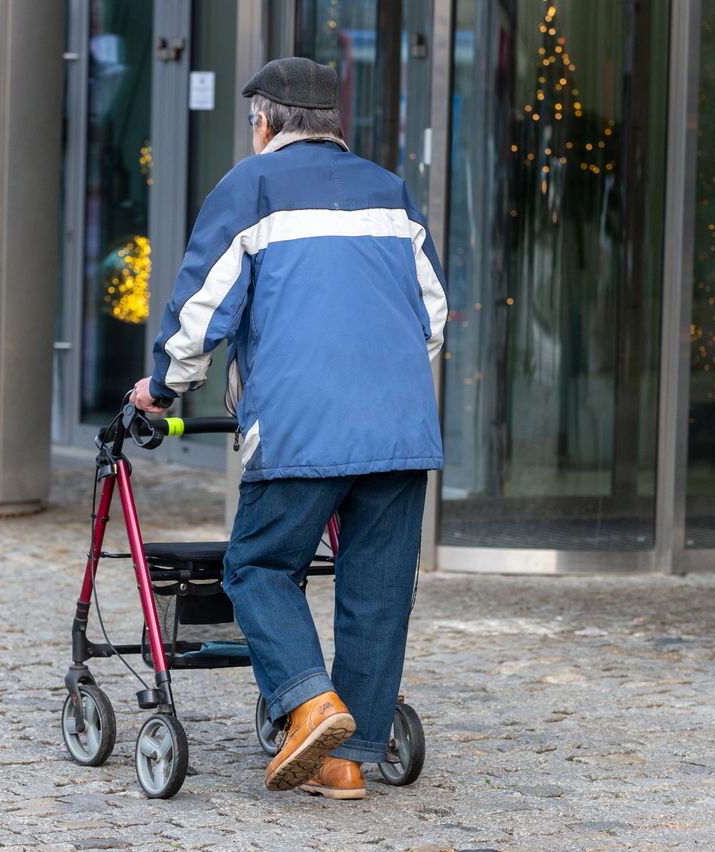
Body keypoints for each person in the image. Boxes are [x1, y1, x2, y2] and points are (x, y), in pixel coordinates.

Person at [130, 57, 447, 799]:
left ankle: (311, 705)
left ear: (264, 122)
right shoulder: (390, 190)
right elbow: (431, 318)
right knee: (378, 590)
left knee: (257, 567)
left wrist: (163, 388)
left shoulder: (250, 186)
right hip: (400, 427)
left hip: (304, 425)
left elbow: (202, 313)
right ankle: (345, 761)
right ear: (333, 125)